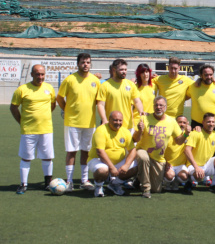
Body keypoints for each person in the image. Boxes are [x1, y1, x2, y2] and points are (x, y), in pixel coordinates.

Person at [56, 53, 100, 192]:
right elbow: (59, 98)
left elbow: (100, 101)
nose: (85, 64)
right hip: (72, 122)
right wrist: (66, 109)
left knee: (86, 151)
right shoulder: (69, 80)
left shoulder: (95, 81)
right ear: (78, 64)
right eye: (83, 62)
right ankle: (69, 182)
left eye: (88, 62)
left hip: (89, 123)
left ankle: (84, 180)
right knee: (71, 151)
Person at [11, 64, 56, 194]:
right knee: (26, 157)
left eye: (42, 74)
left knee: (47, 157)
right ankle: (23, 184)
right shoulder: (22, 89)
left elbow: (52, 105)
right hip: (28, 130)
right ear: (31, 75)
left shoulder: (49, 88)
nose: (40, 77)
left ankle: (48, 182)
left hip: (46, 129)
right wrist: (21, 122)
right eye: (37, 74)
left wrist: (43, 117)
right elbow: (13, 107)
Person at [133, 96, 188, 198]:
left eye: (161, 105)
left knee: (157, 189)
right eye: (156, 105)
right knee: (143, 157)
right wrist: (140, 131)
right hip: (143, 151)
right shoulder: (145, 119)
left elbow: (178, 141)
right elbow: (135, 139)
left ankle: (139, 178)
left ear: (165, 107)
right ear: (153, 106)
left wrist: (186, 134)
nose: (158, 107)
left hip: (158, 158)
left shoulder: (171, 121)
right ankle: (145, 189)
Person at [87, 111, 138, 197]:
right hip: (98, 160)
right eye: (115, 120)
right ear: (109, 119)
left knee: (136, 165)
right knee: (103, 170)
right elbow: (100, 152)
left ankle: (115, 184)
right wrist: (112, 168)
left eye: (120, 120)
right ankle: (99, 186)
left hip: (117, 162)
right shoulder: (101, 130)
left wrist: (126, 165)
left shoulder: (125, 132)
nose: (118, 123)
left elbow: (133, 150)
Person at [97, 59, 144, 132]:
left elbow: (137, 101)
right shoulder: (105, 86)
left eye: (125, 69)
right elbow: (101, 105)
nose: (124, 72)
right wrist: (104, 119)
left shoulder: (130, 84)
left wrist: (141, 111)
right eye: (121, 69)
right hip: (111, 125)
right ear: (114, 70)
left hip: (128, 126)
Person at [184, 113, 215, 192]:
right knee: (199, 177)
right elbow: (187, 150)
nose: (211, 124)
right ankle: (189, 180)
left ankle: (214, 184)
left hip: (207, 165)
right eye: (208, 122)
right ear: (203, 122)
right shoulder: (196, 133)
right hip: (194, 165)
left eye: (213, 122)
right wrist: (196, 167)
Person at [186, 64, 215, 132]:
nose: (209, 77)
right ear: (201, 75)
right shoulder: (193, 86)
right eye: (206, 75)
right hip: (197, 124)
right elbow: (184, 97)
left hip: (214, 124)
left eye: (211, 74)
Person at [163, 115, 191, 192]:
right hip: (169, 164)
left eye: (184, 123)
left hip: (181, 165)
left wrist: (197, 128)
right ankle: (166, 182)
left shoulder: (190, 135)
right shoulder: (169, 134)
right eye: (180, 122)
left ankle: (176, 182)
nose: (182, 124)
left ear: (187, 124)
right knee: (169, 176)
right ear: (175, 123)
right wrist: (165, 162)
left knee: (184, 177)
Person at [133, 63, 157, 128]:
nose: (145, 74)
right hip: (138, 121)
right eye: (142, 72)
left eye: (147, 72)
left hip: (151, 120)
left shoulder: (154, 86)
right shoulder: (135, 88)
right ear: (139, 74)